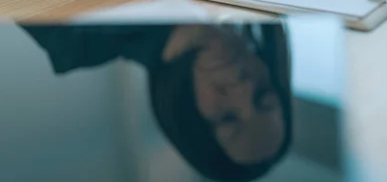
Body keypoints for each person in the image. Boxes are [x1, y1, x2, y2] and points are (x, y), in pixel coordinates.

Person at [24, 22, 293, 181]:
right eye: (263, 95)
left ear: (189, 120)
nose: (244, 88)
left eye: (227, 117)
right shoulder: (248, 1)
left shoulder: (77, 39)